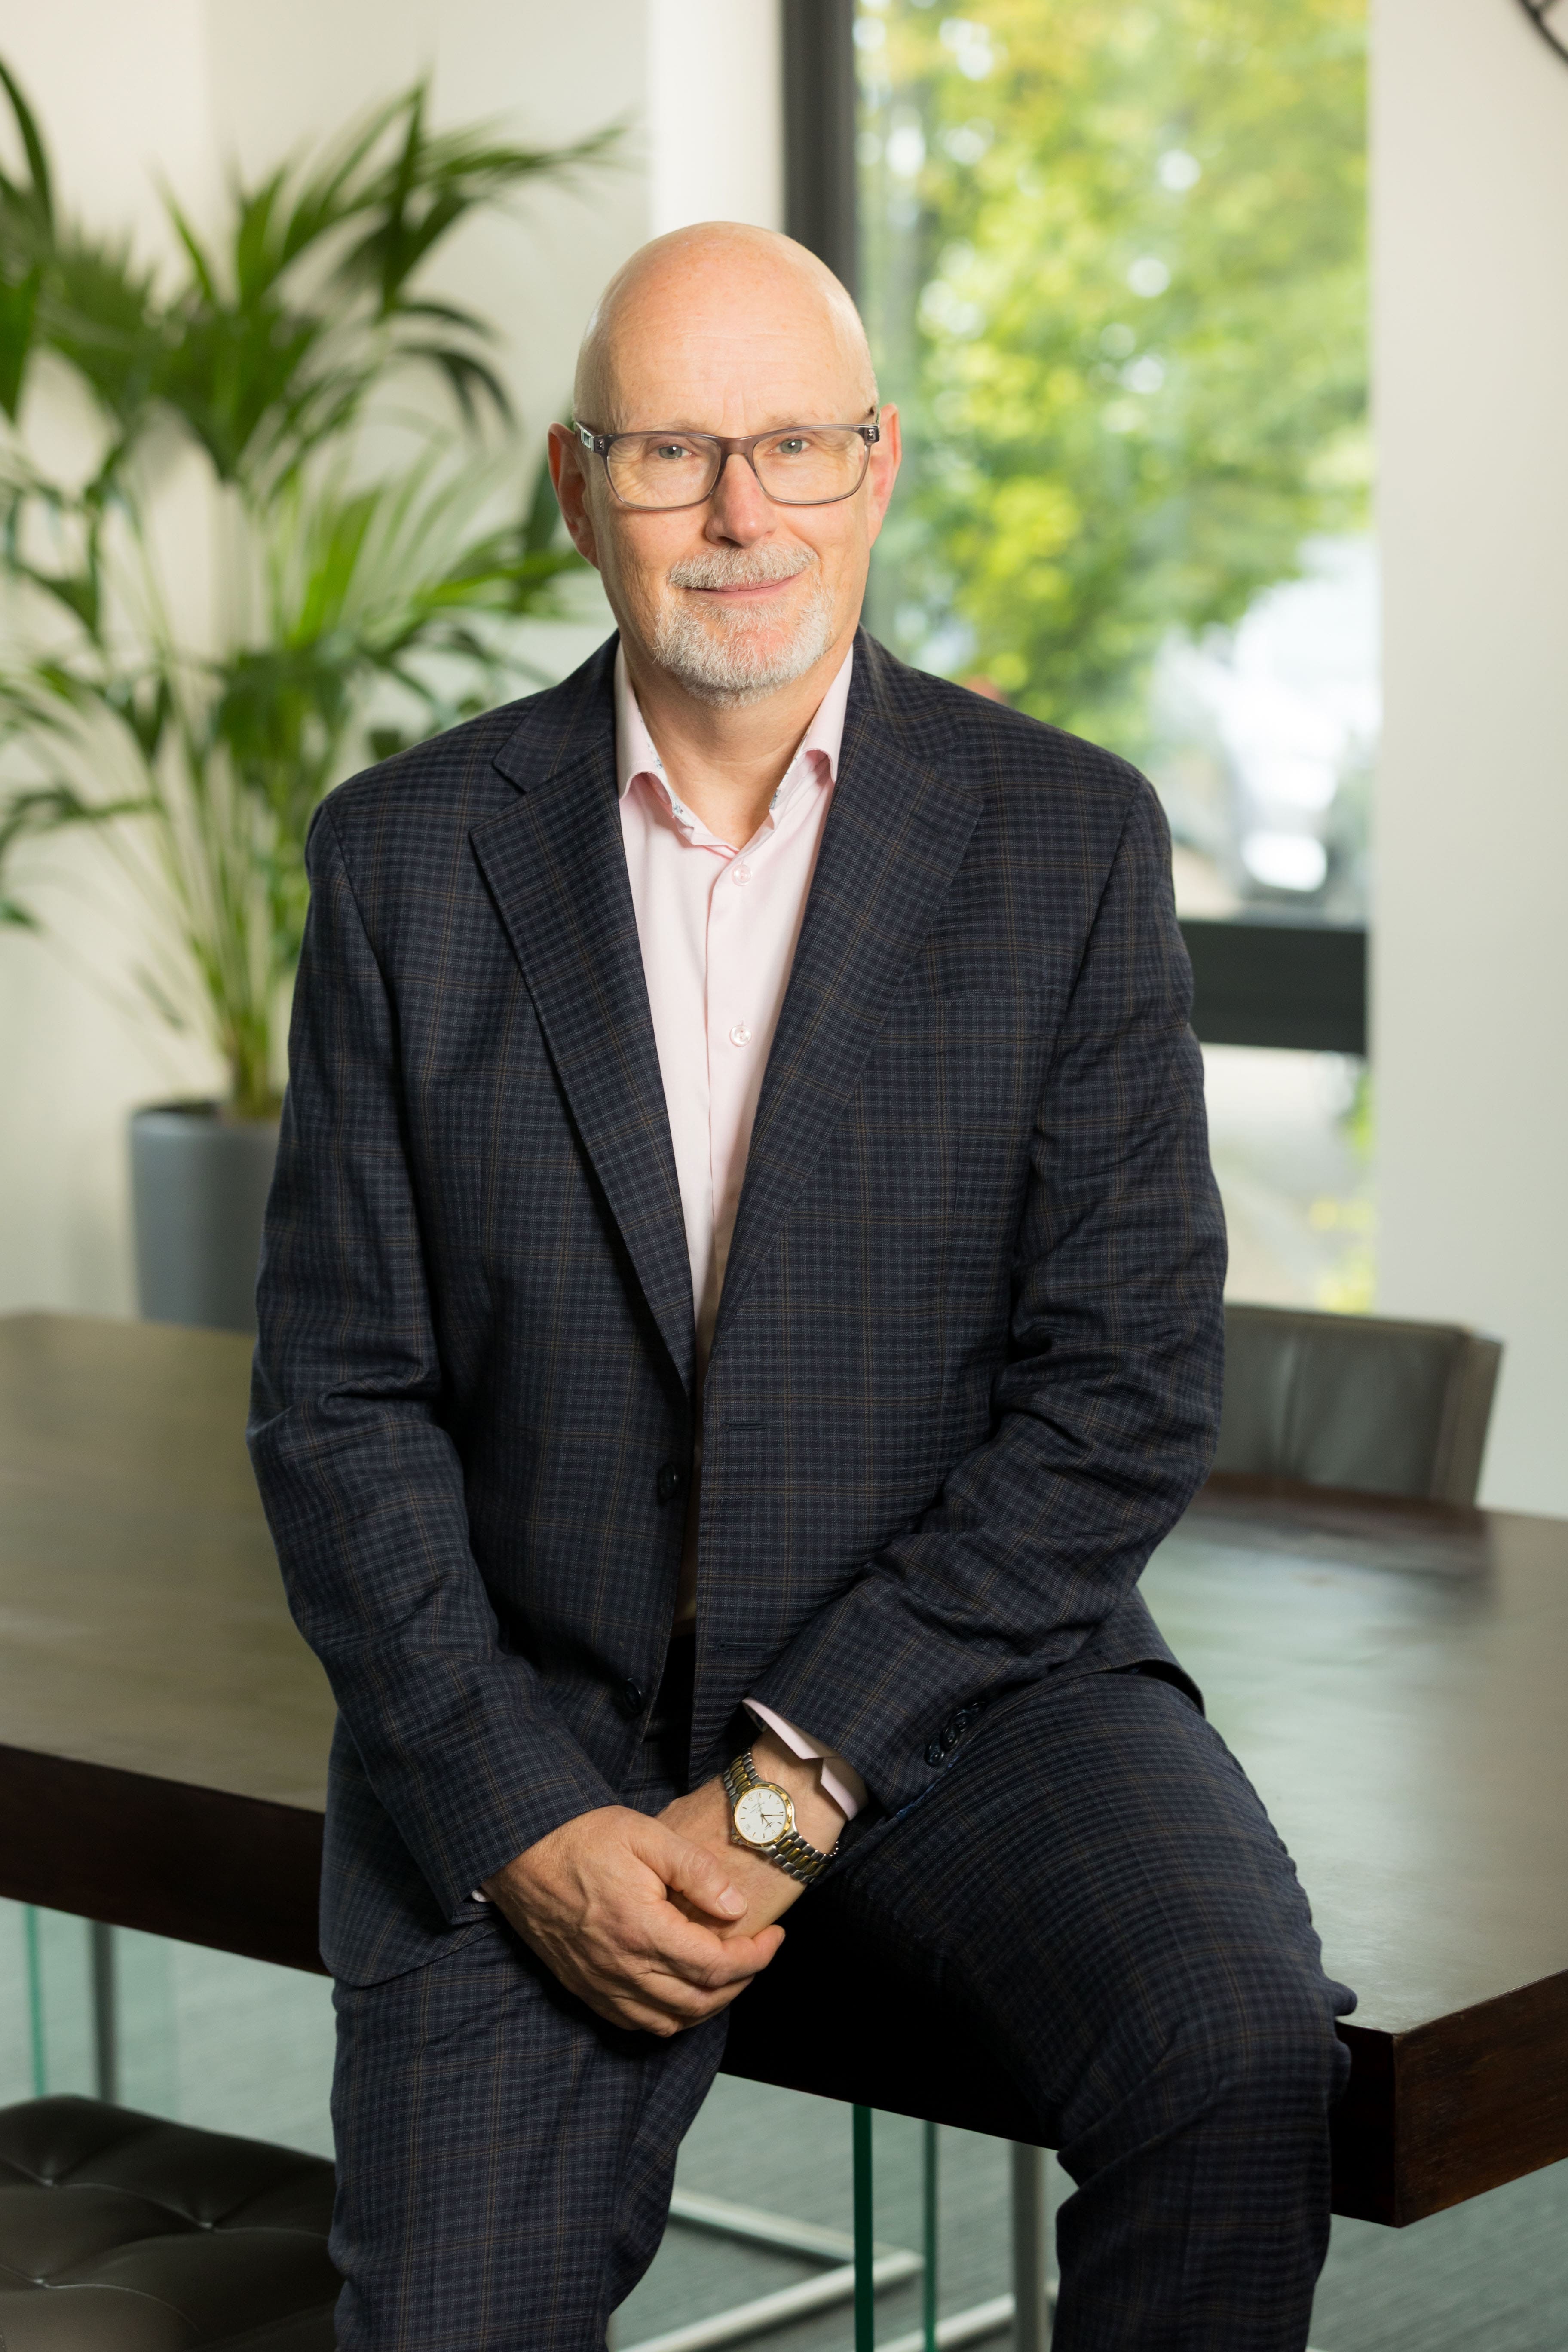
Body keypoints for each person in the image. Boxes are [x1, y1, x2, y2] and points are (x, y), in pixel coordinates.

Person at [249, 221, 1353, 2352]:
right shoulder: (405, 860)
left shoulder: (1070, 841)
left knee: (1238, 2054)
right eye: (673, 452)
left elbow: (1122, 1387)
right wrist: (526, 1823)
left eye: (793, 446)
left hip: (965, 1700)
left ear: (881, 464)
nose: (740, 512)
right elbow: (339, 1407)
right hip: (538, 1720)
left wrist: (791, 1783)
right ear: (582, 490)